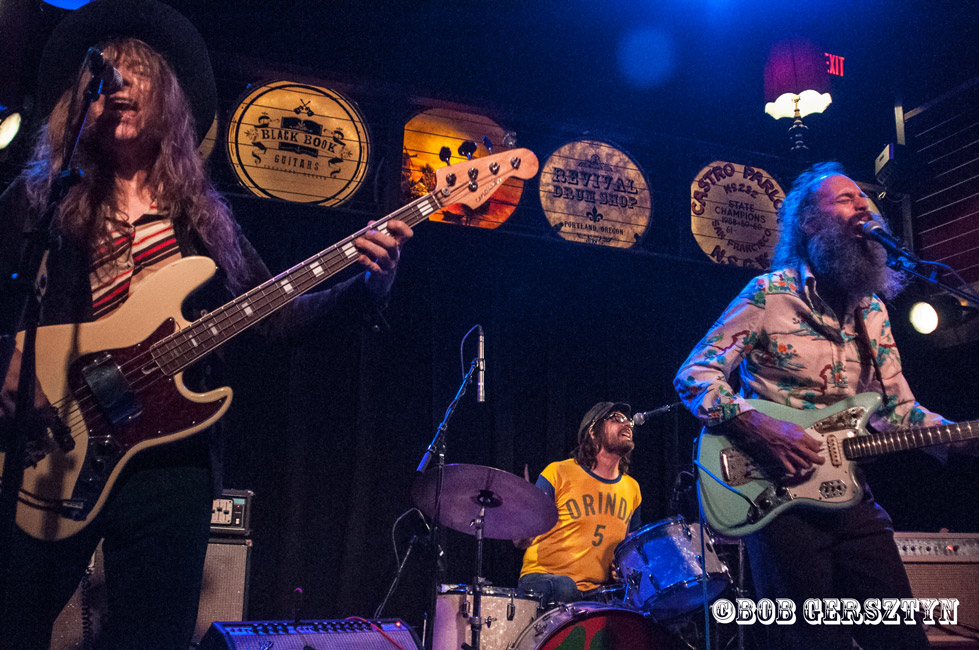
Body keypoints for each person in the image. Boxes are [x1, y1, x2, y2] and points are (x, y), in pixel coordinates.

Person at [0, 2, 411, 649]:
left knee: (152, 636)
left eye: (140, 71)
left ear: (168, 97)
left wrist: (369, 284)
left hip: (170, 462)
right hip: (47, 442)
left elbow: (279, 320)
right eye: (107, 72)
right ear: (82, 95)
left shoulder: (202, 220)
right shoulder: (34, 203)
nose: (122, 84)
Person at [673, 162, 964, 649]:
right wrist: (759, 424)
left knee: (903, 639)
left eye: (863, 199)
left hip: (852, 499)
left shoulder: (873, 311)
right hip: (780, 498)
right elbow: (694, 374)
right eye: (846, 199)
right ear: (809, 223)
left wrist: (962, 436)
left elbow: (898, 412)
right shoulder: (770, 295)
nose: (862, 205)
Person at [517, 401, 642, 605]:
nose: (626, 424)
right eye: (616, 419)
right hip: (543, 579)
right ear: (593, 432)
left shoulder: (632, 488)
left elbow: (631, 550)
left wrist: (624, 568)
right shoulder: (558, 473)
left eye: (627, 420)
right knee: (566, 588)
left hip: (597, 592)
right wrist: (518, 512)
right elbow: (523, 539)